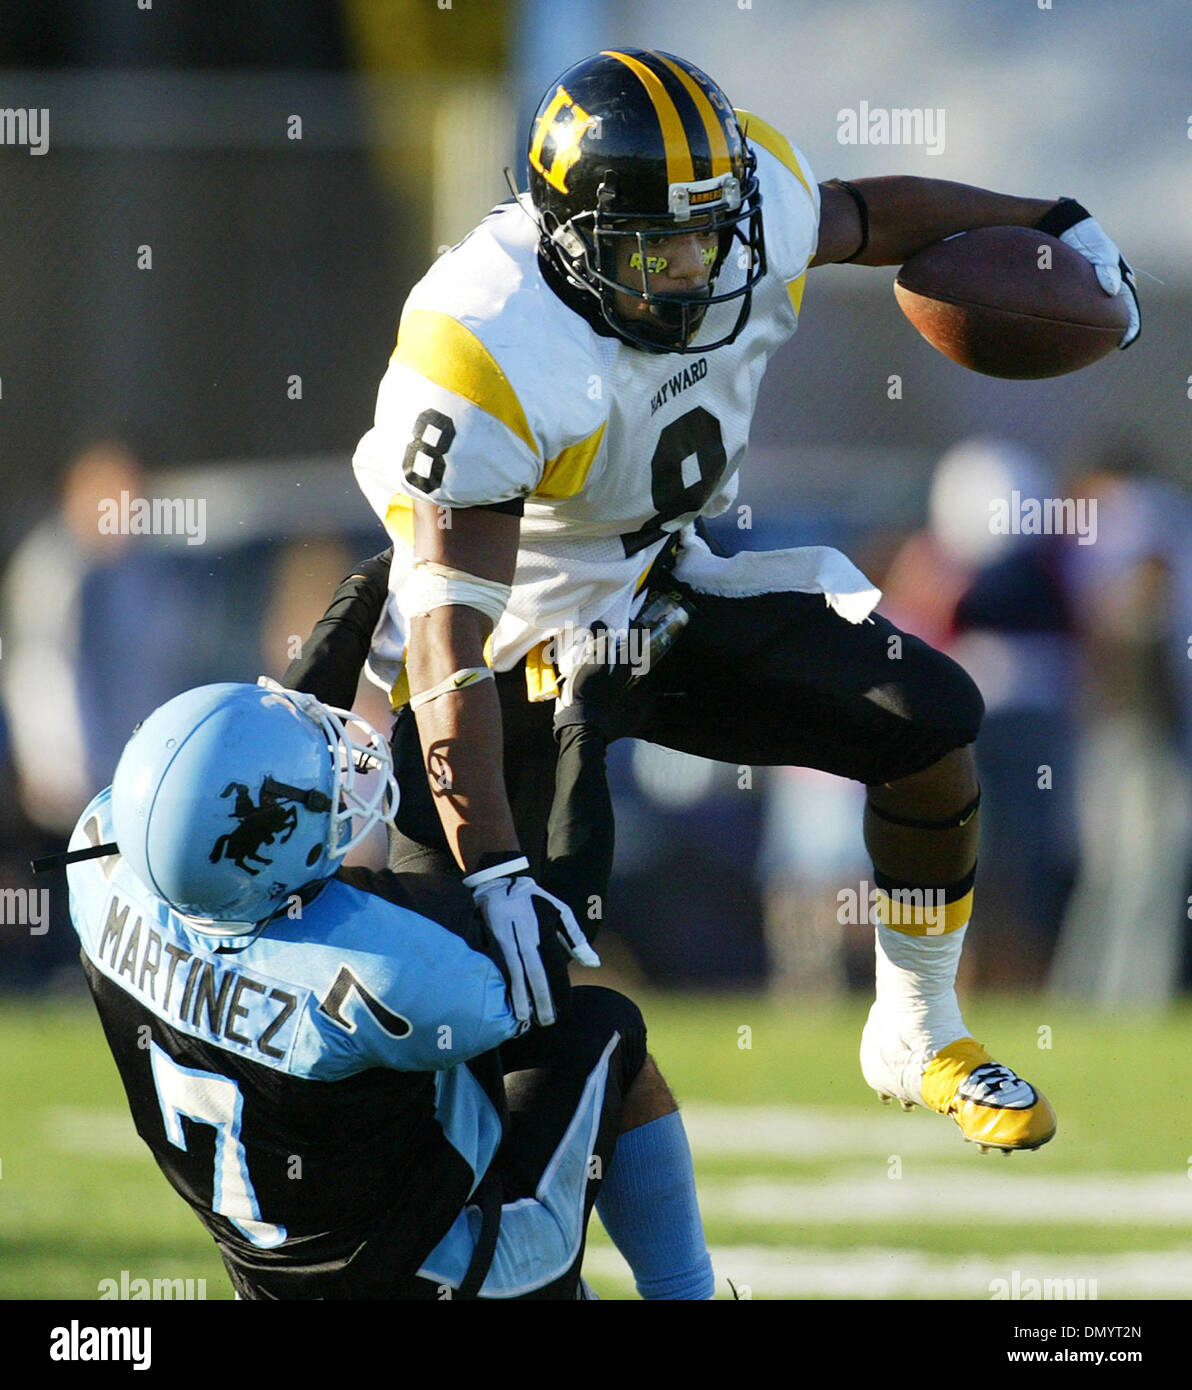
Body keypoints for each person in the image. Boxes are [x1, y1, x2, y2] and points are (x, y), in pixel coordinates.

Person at [350, 48, 1141, 1154]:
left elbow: (871, 213)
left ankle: (915, 1025)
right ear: (573, 241)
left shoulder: (746, 201)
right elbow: (448, 642)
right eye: (659, 249)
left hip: (666, 582)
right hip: (515, 648)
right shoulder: (484, 340)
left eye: (707, 235)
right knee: (532, 1011)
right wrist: (490, 862)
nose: (697, 269)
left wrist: (1051, 214)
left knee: (927, 723)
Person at [59, 655, 715, 1300]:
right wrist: (582, 732)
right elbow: (549, 942)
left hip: (274, 1279)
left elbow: (201, 814)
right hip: (430, 1276)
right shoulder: (375, 968)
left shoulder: (100, 872)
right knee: (602, 1028)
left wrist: (362, 609)